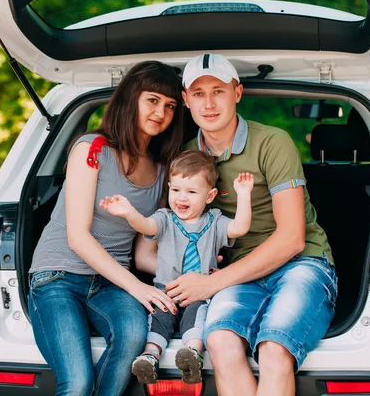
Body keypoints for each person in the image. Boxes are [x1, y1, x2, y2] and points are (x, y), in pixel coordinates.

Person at [137, 53, 338, 395]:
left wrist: (208, 284)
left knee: (274, 348)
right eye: (198, 94)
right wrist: (189, 275)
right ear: (185, 100)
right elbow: (149, 246)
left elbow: (292, 238)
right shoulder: (184, 159)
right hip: (238, 275)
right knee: (219, 342)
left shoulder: (272, 142)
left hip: (301, 265)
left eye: (219, 91)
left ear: (238, 93)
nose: (209, 103)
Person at [27, 61, 185, 396]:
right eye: (152, 100)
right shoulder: (92, 148)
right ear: (131, 98)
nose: (161, 112)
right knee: (78, 382)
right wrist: (138, 290)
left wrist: (192, 274)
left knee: (130, 336)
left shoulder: (160, 173)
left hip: (109, 284)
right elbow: (78, 237)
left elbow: (143, 256)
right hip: (58, 276)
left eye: (170, 106)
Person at [100, 150, 254, 385]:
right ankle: (150, 357)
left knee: (197, 317)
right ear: (169, 188)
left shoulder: (215, 222)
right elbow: (146, 225)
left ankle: (191, 355)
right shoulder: (165, 218)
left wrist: (244, 195)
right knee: (158, 320)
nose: (182, 198)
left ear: (210, 196)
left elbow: (240, 228)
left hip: (198, 294)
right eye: (176, 190)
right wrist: (129, 212)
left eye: (192, 192)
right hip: (166, 291)